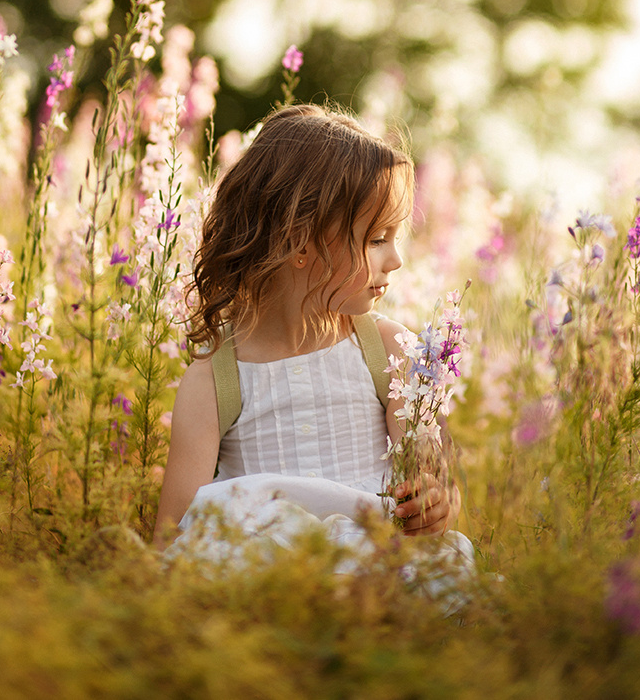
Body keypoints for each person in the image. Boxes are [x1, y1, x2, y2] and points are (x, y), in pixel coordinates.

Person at [152, 103, 465, 558]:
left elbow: (435, 484)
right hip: (270, 581)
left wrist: (435, 505)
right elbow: (175, 538)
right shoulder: (215, 381)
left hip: (375, 568)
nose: (395, 260)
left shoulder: (388, 352)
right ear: (300, 241)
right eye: (377, 239)